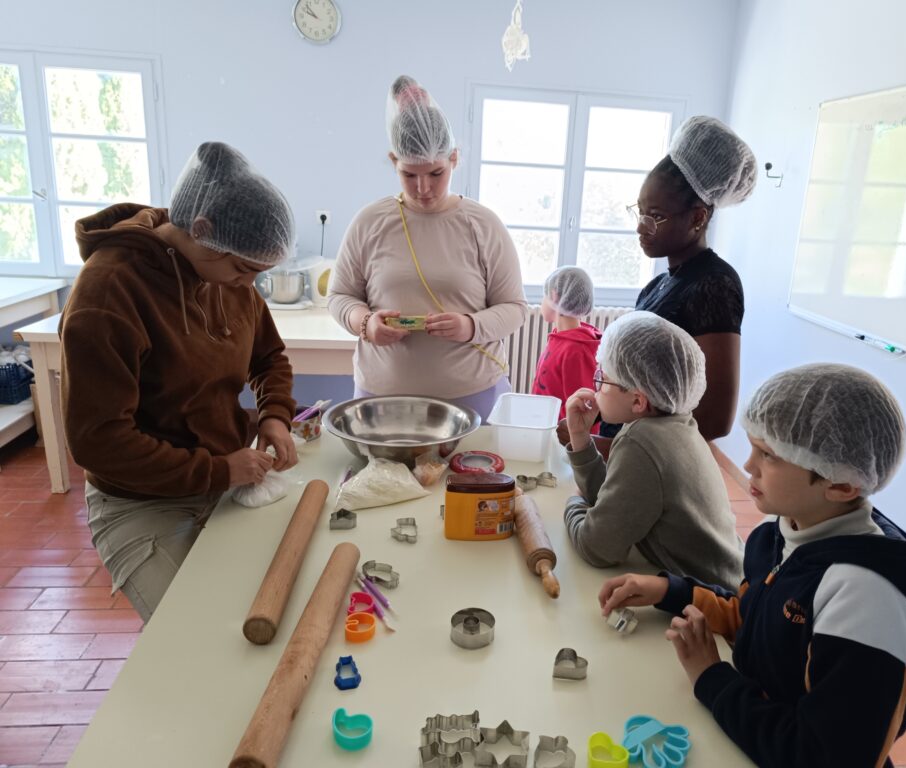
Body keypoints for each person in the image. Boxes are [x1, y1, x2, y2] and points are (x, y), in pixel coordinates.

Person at [597, 364, 906, 768]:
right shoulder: (784, 529)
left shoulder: (868, 605)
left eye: (770, 456)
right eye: (754, 446)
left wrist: (712, 677)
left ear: (841, 485)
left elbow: (821, 757)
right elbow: (756, 619)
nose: (748, 465)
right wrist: (673, 591)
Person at [60, 141, 299, 623]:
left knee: (263, 610)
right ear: (202, 231)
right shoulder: (109, 292)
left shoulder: (227, 279)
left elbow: (269, 355)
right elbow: (99, 441)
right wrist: (217, 471)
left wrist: (275, 415)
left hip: (223, 478)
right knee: (193, 636)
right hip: (141, 500)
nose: (247, 285)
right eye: (242, 269)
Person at [328, 75, 527, 417]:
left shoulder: (483, 225)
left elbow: (514, 308)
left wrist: (470, 326)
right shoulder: (369, 222)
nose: (422, 188)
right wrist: (366, 324)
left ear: (453, 159)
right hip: (381, 401)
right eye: (409, 174)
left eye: (435, 173)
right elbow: (339, 297)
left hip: (471, 399)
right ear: (394, 162)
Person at [594, 116, 756, 448]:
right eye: (640, 211)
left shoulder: (715, 285)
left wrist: (617, 450)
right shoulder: (659, 286)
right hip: (625, 456)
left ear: (698, 218)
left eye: (655, 216)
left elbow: (714, 418)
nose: (641, 226)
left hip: (654, 469)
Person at [562, 311, 742, 586]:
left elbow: (597, 547)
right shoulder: (675, 423)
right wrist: (580, 437)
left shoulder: (641, 442)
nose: (594, 386)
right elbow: (617, 499)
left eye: (602, 378)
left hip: (708, 602)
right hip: (723, 580)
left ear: (638, 401)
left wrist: (572, 502)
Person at [531, 265, 602, 426]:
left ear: (554, 296)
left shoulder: (576, 349)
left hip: (562, 439)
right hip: (546, 426)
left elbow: (582, 408)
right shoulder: (560, 337)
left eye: (544, 296)